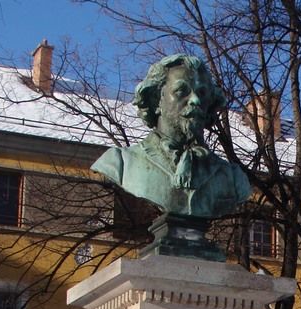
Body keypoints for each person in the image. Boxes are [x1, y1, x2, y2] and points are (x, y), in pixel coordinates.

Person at [92, 54, 250, 218]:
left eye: (202, 93)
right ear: (156, 100)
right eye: (181, 91)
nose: (195, 100)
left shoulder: (232, 178)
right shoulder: (120, 164)